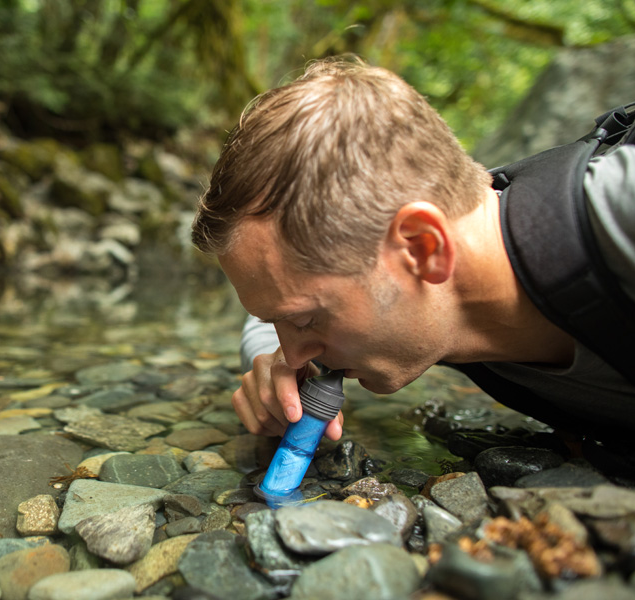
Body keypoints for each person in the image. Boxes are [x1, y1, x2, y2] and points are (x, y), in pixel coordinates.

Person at [190, 56, 635, 449]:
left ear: (423, 247)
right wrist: (270, 370)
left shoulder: (620, 215)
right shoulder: (437, 280)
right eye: (284, 323)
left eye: (306, 321)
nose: (296, 354)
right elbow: (273, 310)